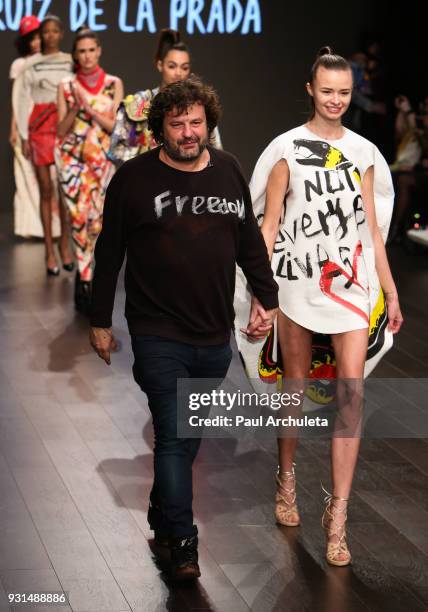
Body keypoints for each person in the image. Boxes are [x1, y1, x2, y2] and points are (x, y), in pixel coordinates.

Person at [89, 77, 278, 581]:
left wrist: (268, 298)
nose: (189, 132)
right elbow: (109, 253)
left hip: (215, 335)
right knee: (175, 436)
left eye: (197, 123)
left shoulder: (229, 169)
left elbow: (249, 242)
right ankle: (183, 540)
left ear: (208, 123)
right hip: (156, 332)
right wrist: (100, 320)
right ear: (160, 129)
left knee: (184, 437)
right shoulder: (133, 179)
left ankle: (162, 509)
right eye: (178, 124)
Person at [252, 47, 403, 566]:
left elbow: (373, 234)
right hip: (297, 284)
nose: (336, 100)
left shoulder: (363, 154)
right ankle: (287, 477)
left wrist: (391, 290)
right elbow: (269, 227)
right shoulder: (286, 150)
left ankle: (337, 517)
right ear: (310, 89)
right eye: (327, 91)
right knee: (294, 389)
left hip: (352, 288)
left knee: (350, 398)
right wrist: (259, 293)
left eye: (344, 92)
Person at [56, 27, 124, 313]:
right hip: (74, 162)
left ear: (99, 51)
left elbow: (118, 129)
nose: (86, 55)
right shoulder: (66, 85)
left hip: (104, 163)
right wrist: (75, 107)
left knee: (98, 222)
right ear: (76, 54)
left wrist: (90, 109)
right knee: (78, 219)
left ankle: (90, 275)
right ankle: (84, 278)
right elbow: (60, 130)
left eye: (90, 50)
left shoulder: (113, 84)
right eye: (81, 51)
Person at [13, 15, 73, 275]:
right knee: (46, 190)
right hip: (38, 127)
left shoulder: (70, 62)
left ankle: (65, 247)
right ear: (41, 34)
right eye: (45, 32)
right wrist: (24, 136)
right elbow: (22, 99)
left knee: (64, 191)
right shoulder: (31, 66)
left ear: (60, 34)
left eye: (54, 31)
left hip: (63, 126)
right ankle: (49, 250)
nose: (49, 36)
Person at [108, 28, 221, 166]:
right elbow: (115, 149)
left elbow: (215, 151)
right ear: (160, 64)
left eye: (184, 67)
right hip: (145, 180)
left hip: (192, 180)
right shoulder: (139, 103)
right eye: (172, 66)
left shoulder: (199, 105)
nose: (178, 73)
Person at [9, 16, 57, 239]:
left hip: (48, 124)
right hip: (26, 123)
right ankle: (32, 228)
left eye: (38, 37)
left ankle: (53, 228)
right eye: (31, 38)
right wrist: (15, 129)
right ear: (24, 41)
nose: (36, 42)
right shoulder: (19, 65)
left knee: (52, 178)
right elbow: (17, 99)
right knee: (27, 174)